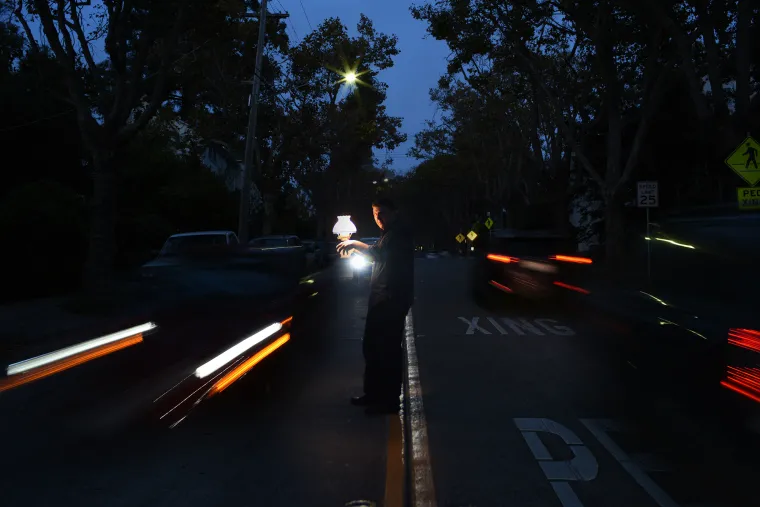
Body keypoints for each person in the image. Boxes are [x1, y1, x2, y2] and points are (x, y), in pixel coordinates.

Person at [336, 197, 414, 415]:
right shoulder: (388, 233)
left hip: (392, 299)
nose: (378, 218)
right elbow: (379, 258)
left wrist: (355, 244)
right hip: (380, 298)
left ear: (394, 212)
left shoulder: (399, 233)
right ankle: (372, 394)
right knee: (372, 348)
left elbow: (379, 254)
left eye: (382, 213)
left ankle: (388, 402)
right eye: (375, 214)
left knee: (387, 352)